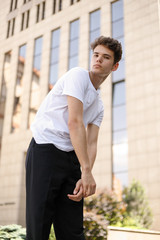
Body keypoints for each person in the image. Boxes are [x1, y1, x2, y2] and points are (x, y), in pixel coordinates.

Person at [25, 36, 122, 240]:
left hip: (71, 159)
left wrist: (84, 175)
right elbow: (75, 123)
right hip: (46, 150)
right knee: (39, 222)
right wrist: (86, 170)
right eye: (96, 55)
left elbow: (92, 142)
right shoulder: (78, 76)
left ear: (114, 66)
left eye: (105, 57)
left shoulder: (99, 105)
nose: (98, 60)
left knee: (73, 230)